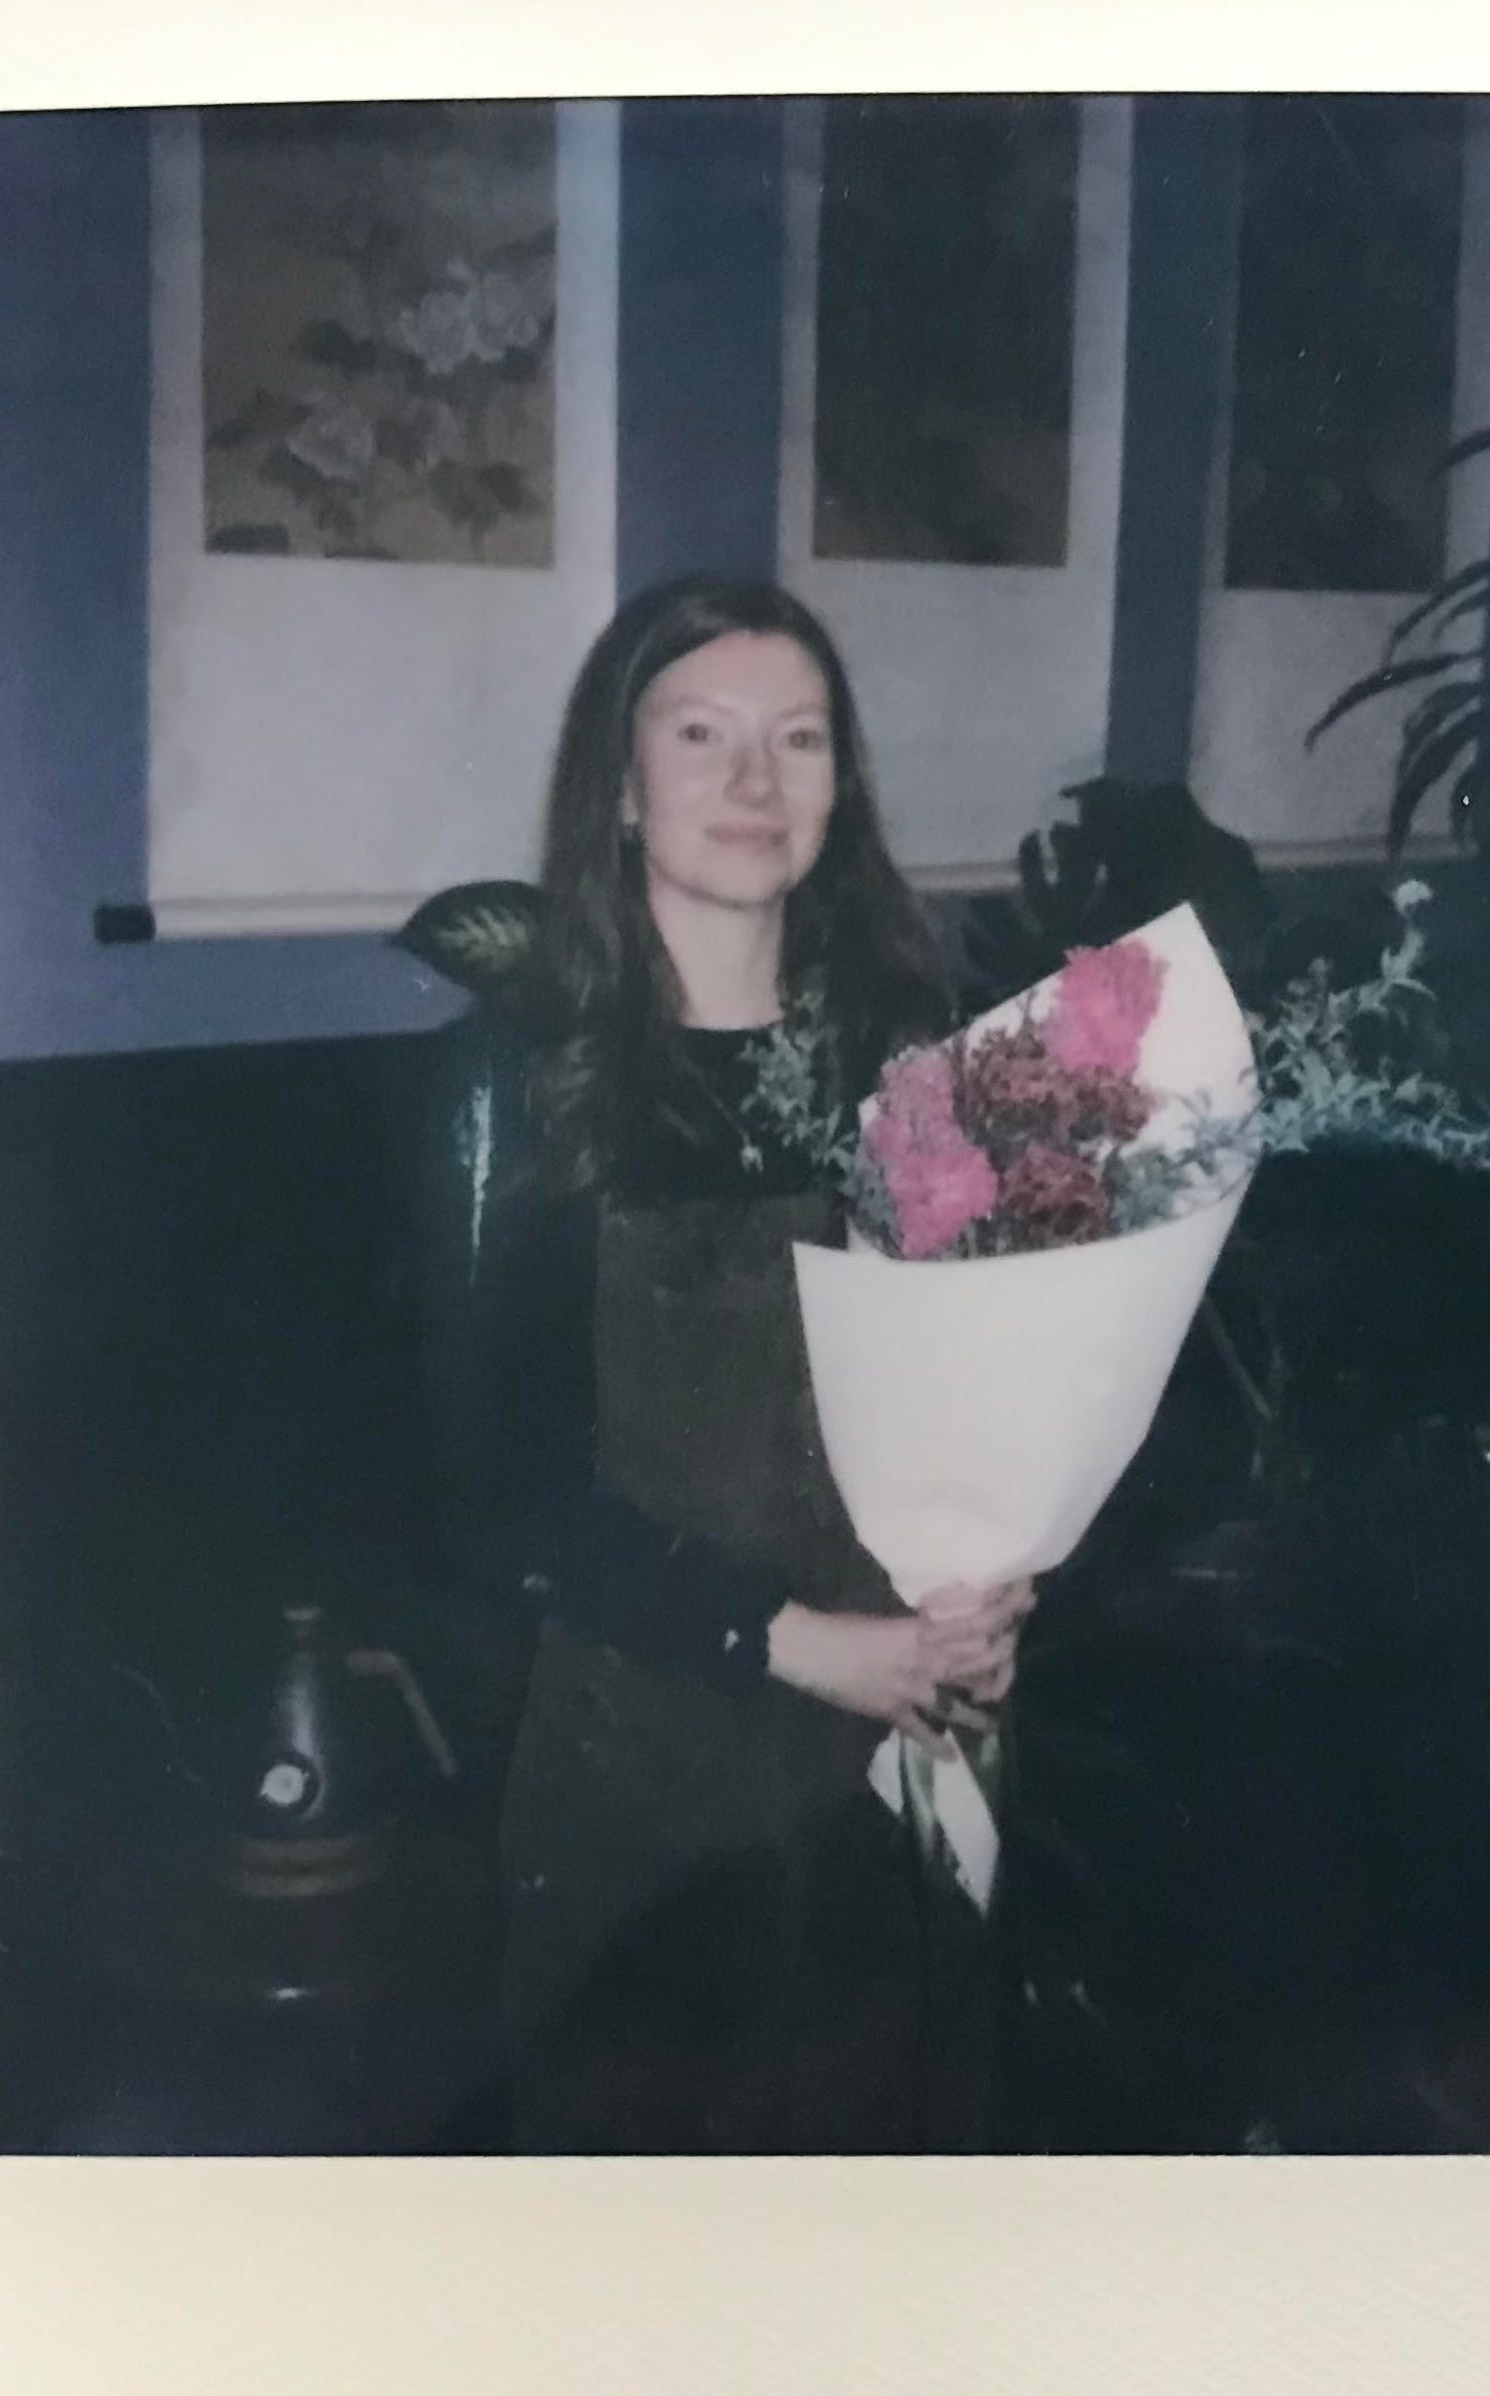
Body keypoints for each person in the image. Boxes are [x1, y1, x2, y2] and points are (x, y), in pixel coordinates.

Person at [482, 574, 1031, 2153]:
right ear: (619, 786)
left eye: (797, 739)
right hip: (652, 1767)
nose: (753, 781)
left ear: (841, 785)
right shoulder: (525, 1083)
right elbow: (502, 1502)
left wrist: (1000, 1582)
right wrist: (803, 1647)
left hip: (904, 1733)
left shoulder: (917, 1060)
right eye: (700, 735)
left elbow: (990, 1386)